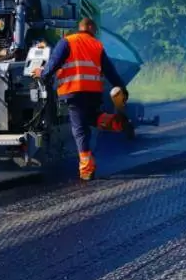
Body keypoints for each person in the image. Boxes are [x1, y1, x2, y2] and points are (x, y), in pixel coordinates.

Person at [33, 17, 131, 181]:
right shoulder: (97, 45)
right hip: (92, 92)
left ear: (80, 28)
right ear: (90, 27)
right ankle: (116, 122)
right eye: (95, 29)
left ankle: (86, 169)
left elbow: (54, 63)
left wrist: (42, 75)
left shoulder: (67, 42)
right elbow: (110, 71)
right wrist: (122, 88)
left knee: (79, 130)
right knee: (93, 118)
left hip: (74, 91)